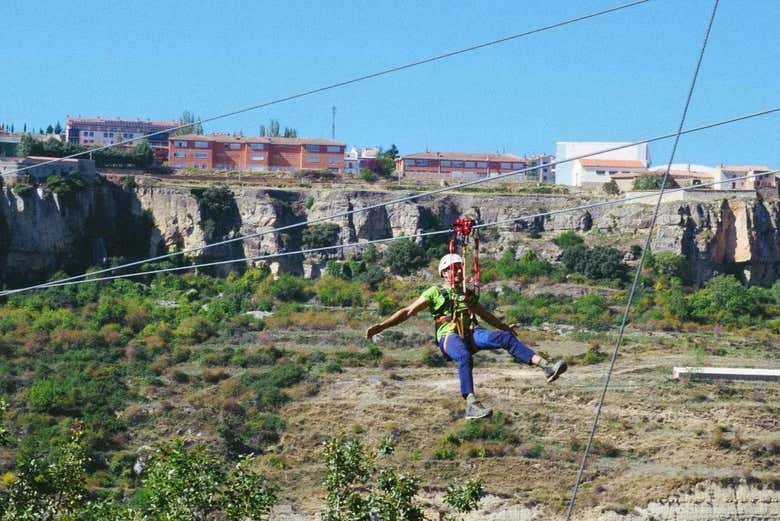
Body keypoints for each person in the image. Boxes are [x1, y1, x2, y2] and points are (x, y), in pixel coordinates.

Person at [365, 253, 567, 419]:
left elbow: (484, 314)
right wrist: (382, 326)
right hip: (449, 335)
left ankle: (547, 366)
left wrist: (504, 327)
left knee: (504, 338)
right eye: (455, 269)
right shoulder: (435, 292)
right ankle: (471, 403)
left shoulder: (467, 294)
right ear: (444, 273)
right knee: (463, 355)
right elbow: (408, 311)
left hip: (471, 332)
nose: (460, 271)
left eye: (460, 268)